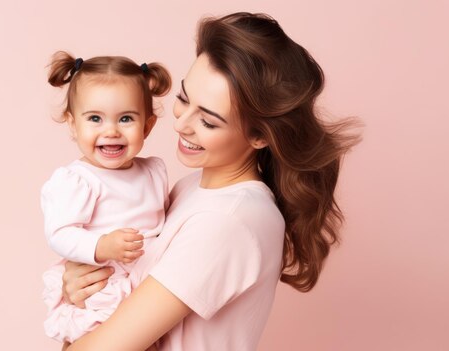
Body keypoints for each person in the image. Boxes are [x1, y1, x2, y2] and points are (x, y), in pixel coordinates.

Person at [59, 12, 361, 351]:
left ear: (260, 134)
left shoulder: (227, 221)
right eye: (184, 99)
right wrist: (78, 284)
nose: (181, 125)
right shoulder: (192, 189)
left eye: (209, 121)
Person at [40, 51, 172, 344]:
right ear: (73, 125)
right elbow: (59, 233)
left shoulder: (153, 172)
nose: (111, 131)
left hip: (146, 288)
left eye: (125, 118)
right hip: (102, 284)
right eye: (95, 119)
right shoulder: (79, 180)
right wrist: (102, 245)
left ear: (147, 126)